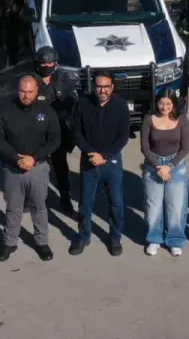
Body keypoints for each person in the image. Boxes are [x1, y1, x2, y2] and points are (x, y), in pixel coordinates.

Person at [0, 75, 62, 262]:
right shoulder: (4, 110)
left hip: (38, 167)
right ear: (18, 90)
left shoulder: (47, 111)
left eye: (30, 92)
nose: (26, 95)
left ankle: (41, 242)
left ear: (36, 91)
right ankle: (9, 242)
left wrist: (34, 158)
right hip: (13, 169)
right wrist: (16, 158)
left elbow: (55, 140)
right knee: (13, 208)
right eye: (23, 91)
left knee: (39, 206)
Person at [70, 71, 131, 256]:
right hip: (89, 161)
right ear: (93, 86)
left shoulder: (121, 105)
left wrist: (103, 156)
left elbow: (123, 136)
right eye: (99, 86)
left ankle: (114, 238)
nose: (102, 90)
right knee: (85, 203)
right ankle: (83, 236)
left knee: (116, 203)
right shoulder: (82, 103)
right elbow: (76, 132)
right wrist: (91, 153)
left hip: (111, 161)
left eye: (106, 86)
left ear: (112, 87)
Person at [140, 89, 189, 257]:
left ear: (174, 104)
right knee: (153, 206)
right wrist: (158, 167)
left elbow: (185, 148)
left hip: (176, 166)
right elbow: (145, 147)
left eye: (168, 103)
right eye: (161, 103)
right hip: (153, 166)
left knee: (175, 206)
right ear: (157, 102)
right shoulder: (149, 119)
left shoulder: (182, 120)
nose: (164, 106)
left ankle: (175, 240)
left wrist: (169, 166)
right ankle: (154, 239)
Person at [34, 46, 77, 215]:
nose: (46, 66)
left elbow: (72, 102)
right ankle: (37, 199)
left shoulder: (63, 79)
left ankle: (65, 197)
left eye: (50, 62)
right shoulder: (32, 80)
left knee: (60, 165)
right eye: (43, 63)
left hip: (58, 130)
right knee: (39, 166)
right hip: (38, 130)